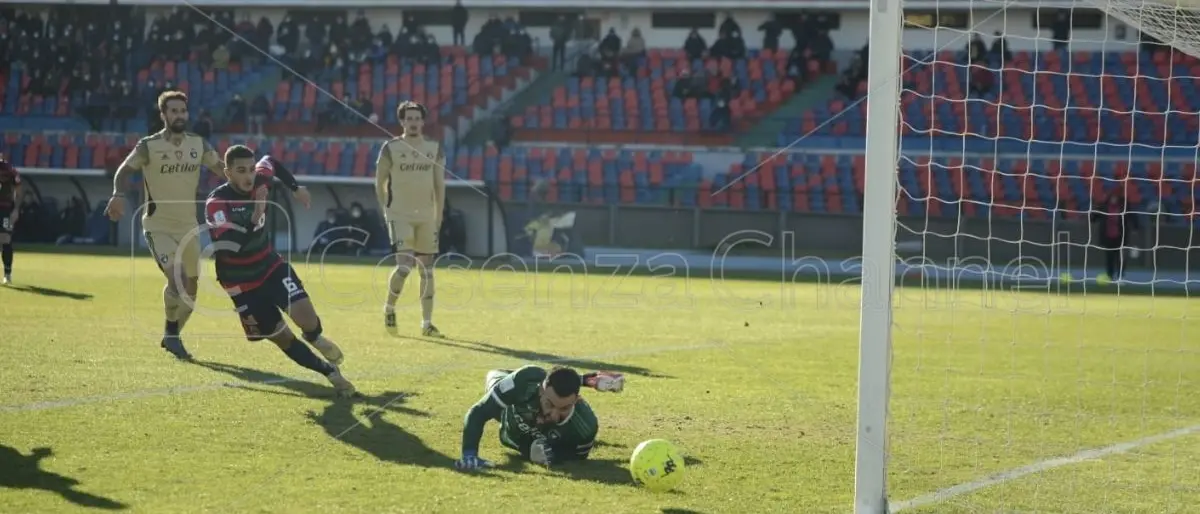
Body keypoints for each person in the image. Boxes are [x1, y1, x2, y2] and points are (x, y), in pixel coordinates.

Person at [204, 145, 356, 397]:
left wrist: (296, 188)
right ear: (227, 172)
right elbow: (231, 248)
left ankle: (315, 338)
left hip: (270, 265)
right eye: (241, 171)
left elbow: (271, 160)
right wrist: (256, 215)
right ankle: (329, 372)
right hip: (240, 283)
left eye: (251, 170)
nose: (249, 176)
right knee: (282, 337)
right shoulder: (217, 204)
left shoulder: (260, 180)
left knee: (306, 317)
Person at [104, 91, 224, 359]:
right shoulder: (148, 146)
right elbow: (123, 171)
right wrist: (118, 194)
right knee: (178, 279)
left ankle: (172, 335)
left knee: (190, 297)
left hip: (189, 227)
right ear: (163, 115)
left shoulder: (199, 144)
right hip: (158, 227)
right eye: (173, 111)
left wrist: (246, 180)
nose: (179, 115)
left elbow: (221, 169)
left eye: (183, 111)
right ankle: (171, 335)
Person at [455, 365, 625, 470]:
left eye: (565, 407)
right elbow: (478, 412)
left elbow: (576, 456)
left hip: (519, 422)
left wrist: (548, 456)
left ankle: (585, 380)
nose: (554, 414)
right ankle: (586, 380)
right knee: (503, 383)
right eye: (550, 404)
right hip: (503, 381)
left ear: (577, 400)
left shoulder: (585, 425)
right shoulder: (523, 385)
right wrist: (470, 455)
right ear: (541, 391)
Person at [374, 101, 446, 337]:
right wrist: (387, 209)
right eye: (409, 118)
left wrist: (438, 214)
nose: (414, 122)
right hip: (399, 215)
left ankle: (427, 323)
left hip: (426, 216)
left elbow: (439, 184)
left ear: (423, 122)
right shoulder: (390, 147)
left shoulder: (433, 148)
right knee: (404, 267)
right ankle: (390, 307)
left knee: (427, 270)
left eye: (417, 118)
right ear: (402, 122)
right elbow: (380, 182)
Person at [1091, 187, 1140, 284]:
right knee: (1109, 257)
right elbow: (1095, 216)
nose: (1114, 198)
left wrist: (1136, 227)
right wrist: (1092, 213)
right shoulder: (1104, 206)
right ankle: (1109, 275)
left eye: (1115, 197)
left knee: (1120, 257)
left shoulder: (1124, 206)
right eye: (1112, 197)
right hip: (1108, 235)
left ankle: (1120, 276)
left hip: (1120, 236)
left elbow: (1132, 216)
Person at [0, 156, 22, 285]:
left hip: (5, 210)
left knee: (5, 239)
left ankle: (7, 273)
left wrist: (16, 210)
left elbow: (18, 192)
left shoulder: (10, 170)